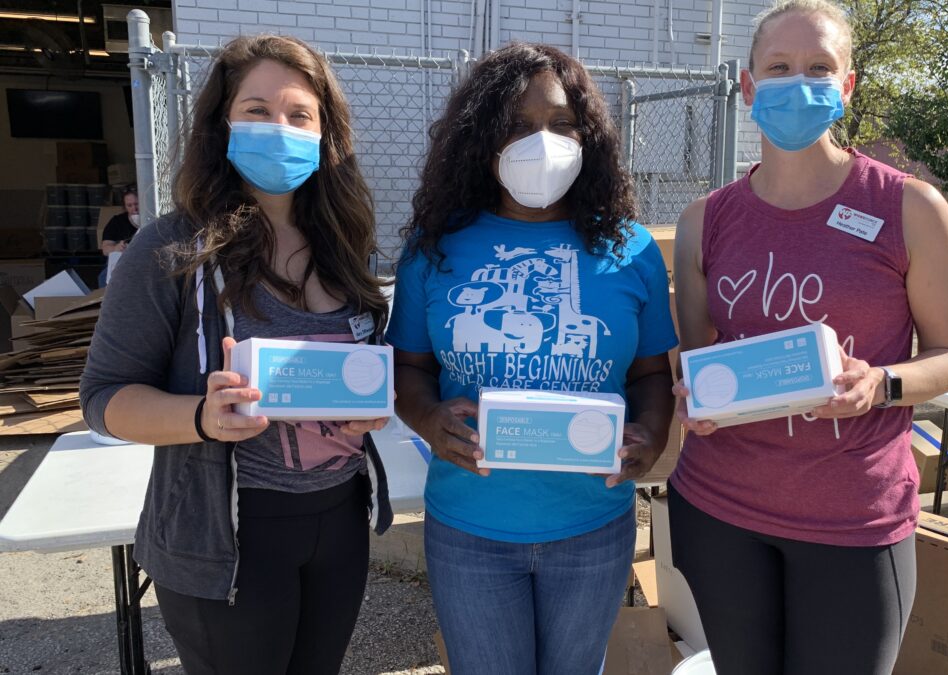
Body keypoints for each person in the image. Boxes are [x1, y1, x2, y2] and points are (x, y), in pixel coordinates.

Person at [669, 1, 948, 673]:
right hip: (720, 511)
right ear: (747, 87)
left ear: (847, 86)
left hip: (853, 520)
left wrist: (881, 383)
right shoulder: (705, 221)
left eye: (818, 67)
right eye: (778, 67)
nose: (797, 82)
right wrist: (693, 400)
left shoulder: (908, 207)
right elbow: (698, 364)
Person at [80, 34, 393, 675]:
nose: (278, 127)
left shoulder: (343, 246)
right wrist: (202, 416)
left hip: (338, 521)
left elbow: (366, 368)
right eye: (256, 110)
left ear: (326, 133)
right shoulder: (170, 248)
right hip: (227, 533)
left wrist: (371, 404)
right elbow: (103, 398)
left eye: (299, 114)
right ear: (222, 123)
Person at [387, 43, 677, 674]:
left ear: (588, 136)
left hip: (593, 525)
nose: (540, 141)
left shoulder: (630, 248)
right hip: (470, 527)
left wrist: (650, 438)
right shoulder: (435, 248)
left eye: (561, 124)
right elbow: (406, 367)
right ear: (481, 139)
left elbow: (652, 372)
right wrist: (430, 420)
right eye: (517, 126)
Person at [100, 186, 139, 255]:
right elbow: (105, 249)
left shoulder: (153, 219)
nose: (134, 208)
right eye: (129, 205)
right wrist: (116, 248)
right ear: (125, 207)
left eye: (137, 204)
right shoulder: (117, 222)